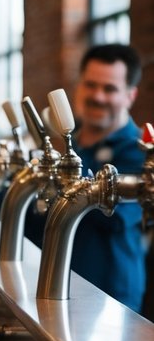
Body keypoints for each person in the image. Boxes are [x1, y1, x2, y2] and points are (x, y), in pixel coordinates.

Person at [27, 43, 146, 311]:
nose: (98, 96)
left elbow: (111, 218)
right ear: (79, 86)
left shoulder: (139, 151)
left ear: (130, 95)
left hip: (109, 292)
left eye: (110, 89)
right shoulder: (73, 145)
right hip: (58, 283)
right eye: (91, 85)